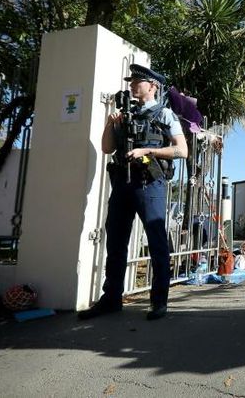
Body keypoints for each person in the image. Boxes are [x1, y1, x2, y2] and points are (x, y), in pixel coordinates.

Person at [78, 64, 187, 321]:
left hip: (150, 184)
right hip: (122, 184)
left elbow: (182, 150)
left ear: (153, 86)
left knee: (157, 243)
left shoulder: (165, 114)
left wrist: (147, 151)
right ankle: (111, 299)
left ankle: (159, 301)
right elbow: (107, 148)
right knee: (115, 242)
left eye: (137, 81)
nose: (131, 84)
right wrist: (109, 125)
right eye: (131, 80)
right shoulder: (125, 115)